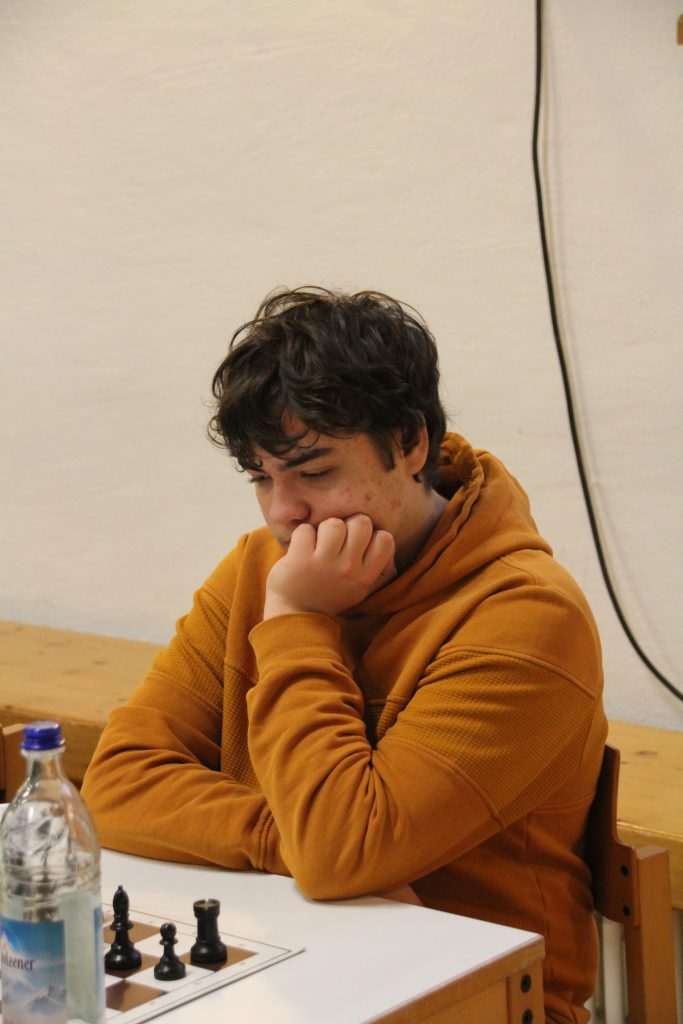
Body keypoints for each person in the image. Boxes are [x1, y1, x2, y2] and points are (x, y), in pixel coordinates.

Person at [82, 286, 607, 1023]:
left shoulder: (528, 616)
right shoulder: (259, 567)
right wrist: (282, 838)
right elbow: (115, 782)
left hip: (479, 996)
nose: (282, 513)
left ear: (411, 444)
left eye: (315, 472)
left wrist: (298, 618)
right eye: (261, 477)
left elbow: (339, 853)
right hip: (293, 957)